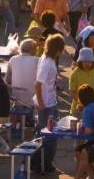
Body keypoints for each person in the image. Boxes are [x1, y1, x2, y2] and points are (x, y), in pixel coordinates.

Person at [35, 34, 66, 173]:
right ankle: (45, 165)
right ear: (58, 50)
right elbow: (38, 84)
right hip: (46, 104)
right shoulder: (48, 63)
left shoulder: (47, 58)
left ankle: (40, 164)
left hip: (49, 101)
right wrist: (41, 103)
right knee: (49, 137)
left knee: (44, 135)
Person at [69, 48, 94, 116]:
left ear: (92, 61)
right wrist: (83, 104)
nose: (87, 63)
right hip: (80, 109)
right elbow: (72, 92)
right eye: (84, 61)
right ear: (80, 61)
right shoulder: (75, 73)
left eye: (89, 61)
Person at [7, 38, 40, 105]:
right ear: (31, 49)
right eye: (36, 48)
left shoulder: (13, 59)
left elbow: (7, 80)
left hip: (15, 98)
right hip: (33, 99)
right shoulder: (38, 60)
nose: (37, 49)